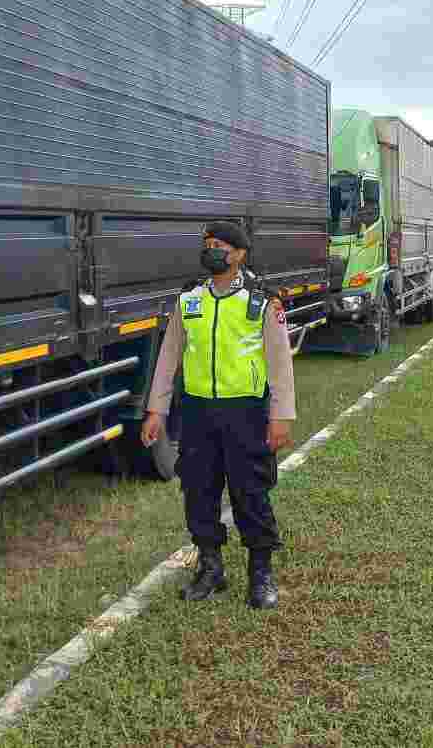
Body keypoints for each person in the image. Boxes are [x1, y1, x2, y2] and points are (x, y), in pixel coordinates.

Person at [141, 221, 296, 609]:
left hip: (245, 412)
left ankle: (260, 573)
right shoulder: (189, 300)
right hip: (197, 413)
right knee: (198, 490)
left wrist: (281, 416)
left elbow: (280, 363)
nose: (212, 250)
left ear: (240, 254)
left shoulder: (262, 302)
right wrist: (156, 410)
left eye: (221, 245)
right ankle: (211, 567)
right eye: (207, 244)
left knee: (251, 492)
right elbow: (168, 357)